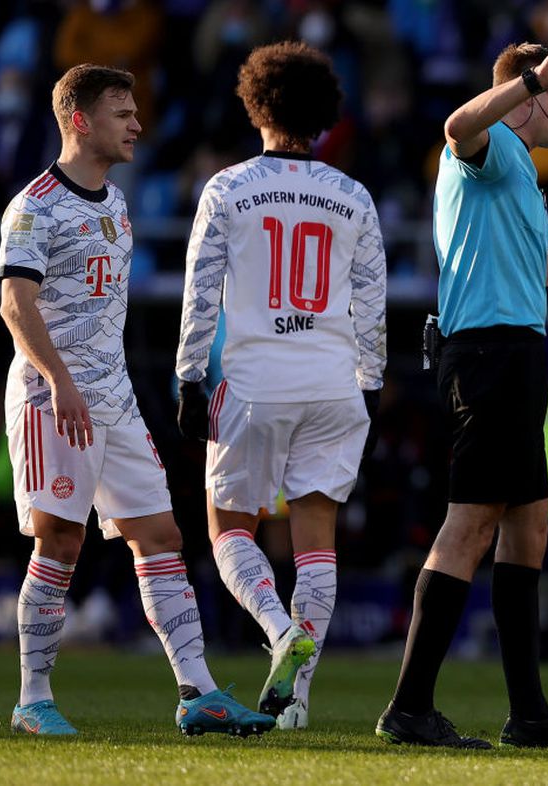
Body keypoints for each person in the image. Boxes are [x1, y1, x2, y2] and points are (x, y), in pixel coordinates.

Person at [374, 28, 548, 750]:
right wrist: (535, 80)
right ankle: (409, 706)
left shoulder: (520, 173)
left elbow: (533, 270)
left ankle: (528, 714)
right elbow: (456, 124)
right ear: (528, 93)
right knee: (471, 522)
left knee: (529, 526)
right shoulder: (491, 145)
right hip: (489, 357)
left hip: (514, 354)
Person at [0, 63, 274, 737]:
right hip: (50, 396)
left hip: (113, 400)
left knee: (160, 536)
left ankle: (198, 692)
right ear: (81, 120)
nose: (137, 124)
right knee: (60, 540)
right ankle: (33, 700)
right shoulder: (34, 205)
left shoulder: (117, 203)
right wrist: (61, 382)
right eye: (122, 112)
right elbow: (15, 303)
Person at [175, 41, 387, 731]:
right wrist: (372, 384)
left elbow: (200, 293)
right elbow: (371, 302)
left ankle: (276, 630)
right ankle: (296, 702)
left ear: (254, 104)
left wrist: (186, 377)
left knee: (228, 526)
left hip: (254, 381)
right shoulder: (353, 196)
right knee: (316, 535)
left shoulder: (229, 187)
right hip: (332, 382)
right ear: (326, 115)